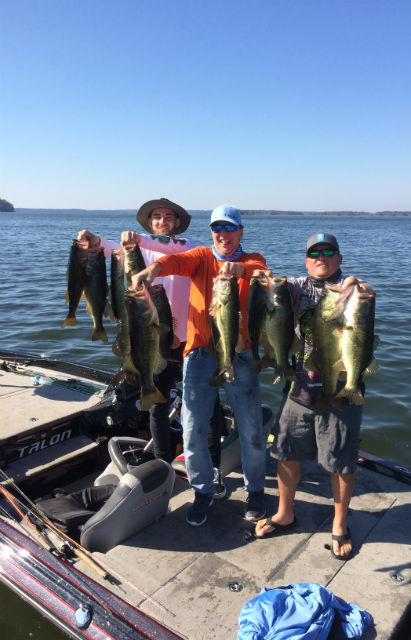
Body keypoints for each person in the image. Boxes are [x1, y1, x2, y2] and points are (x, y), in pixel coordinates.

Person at [77, 199, 225, 496]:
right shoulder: (138, 250)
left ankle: (215, 466)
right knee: (156, 402)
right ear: (149, 222)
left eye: (168, 217)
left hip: (191, 338)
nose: (162, 220)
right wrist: (94, 241)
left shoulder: (188, 245)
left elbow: (168, 250)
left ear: (176, 223)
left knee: (210, 405)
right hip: (153, 337)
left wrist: (140, 239)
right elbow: (110, 250)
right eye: (156, 217)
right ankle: (162, 463)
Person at [131, 205, 268, 526]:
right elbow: (177, 261)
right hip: (199, 356)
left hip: (240, 355)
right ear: (211, 233)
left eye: (230, 228)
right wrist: (154, 270)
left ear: (241, 232)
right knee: (192, 431)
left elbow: (262, 273)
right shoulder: (201, 256)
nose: (223, 234)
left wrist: (240, 272)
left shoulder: (253, 259)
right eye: (217, 229)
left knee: (251, 429)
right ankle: (203, 490)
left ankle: (256, 490)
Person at [254, 232, 373, 561]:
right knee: (285, 451)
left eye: (328, 251)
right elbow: (267, 284)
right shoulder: (293, 287)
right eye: (314, 253)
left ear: (339, 258)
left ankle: (339, 523)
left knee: (341, 460)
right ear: (306, 261)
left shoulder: (352, 291)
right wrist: (259, 277)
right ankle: (284, 513)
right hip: (300, 384)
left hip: (341, 386)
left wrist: (361, 294)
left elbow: (362, 298)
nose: (321, 257)